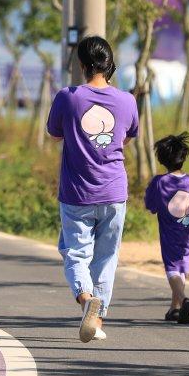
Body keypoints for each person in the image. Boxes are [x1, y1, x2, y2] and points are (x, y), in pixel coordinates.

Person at [46, 35, 139, 343]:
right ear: (110, 64)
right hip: (114, 192)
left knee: (75, 253)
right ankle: (97, 319)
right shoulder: (127, 100)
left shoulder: (67, 97)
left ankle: (87, 301)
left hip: (77, 193)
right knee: (106, 258)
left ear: (82, 66)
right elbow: (126, 137)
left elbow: (55, 134)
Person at [144, 133, 189, 324]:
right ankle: (174, 308)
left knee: (172, 269)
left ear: (161, 159)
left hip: (170, 232)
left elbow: (151, 206)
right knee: (182, 267)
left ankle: (184, 299)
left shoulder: (159, 182)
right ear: (183, 157)